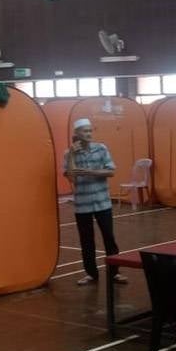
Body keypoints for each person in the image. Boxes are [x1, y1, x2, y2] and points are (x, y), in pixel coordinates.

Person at [64, 118, 127, 286]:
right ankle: (91, 274)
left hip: (103, 203)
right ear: (76, 134)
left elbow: (111, 171)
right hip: (82, 205)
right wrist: (71, 154)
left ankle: (115, 273)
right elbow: (70, 176)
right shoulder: (69, 153)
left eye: (90, 131)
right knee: (86, 241)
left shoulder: (101, 149)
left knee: (109, 238)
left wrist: (89, 172)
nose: (89, 134)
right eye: (85, 131)